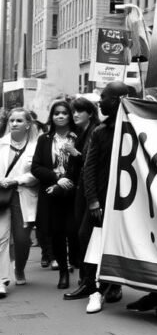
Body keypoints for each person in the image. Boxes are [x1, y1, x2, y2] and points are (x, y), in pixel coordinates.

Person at [74, 82, 132, 314]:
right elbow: (89, 169)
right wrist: (93, 201)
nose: (100, 101)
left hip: (127, 201)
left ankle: (112, 286)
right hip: (100, 199)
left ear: (118, 100)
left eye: (104, 97)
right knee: (87, 238)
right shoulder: (100, 132)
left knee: (116, 243)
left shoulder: (135, 128)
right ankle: (93, 287)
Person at [30, 100, 81, 290]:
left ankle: (79, 268)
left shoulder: (79, 136)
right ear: (51, 117)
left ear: (70, 116)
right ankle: (63, 272)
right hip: (52, 193)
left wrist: (70, 174)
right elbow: (36, 167)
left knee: (73, 231)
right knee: (57, 233)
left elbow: (85, 162)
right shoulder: (45, 139)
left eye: (64, 113)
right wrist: (56, 177)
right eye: (56, 113)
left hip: (74, 192)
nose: (60, 116)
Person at [0, 108, 40, 294]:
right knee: (1, 238)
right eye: (11, 120)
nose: (14, 124)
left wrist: (18, 180)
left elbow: (37, 173)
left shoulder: (36, 145)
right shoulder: (1, 144)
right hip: (2, 196)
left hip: (23, 195)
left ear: (28, 124)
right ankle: (2, 280)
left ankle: (19, 268)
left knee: (23, 241)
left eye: (18, 121)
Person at [63, 97, 99, 301]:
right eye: (73, 111)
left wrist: (74, 152)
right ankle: (87, 279)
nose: (75, 115)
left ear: (90, 112)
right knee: (80, 234)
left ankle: (91, 281)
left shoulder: (96, 131)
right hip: (80, 190)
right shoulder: (80, 133)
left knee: (86, 235)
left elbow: (92, 163)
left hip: (91, 192)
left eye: (79, 111)